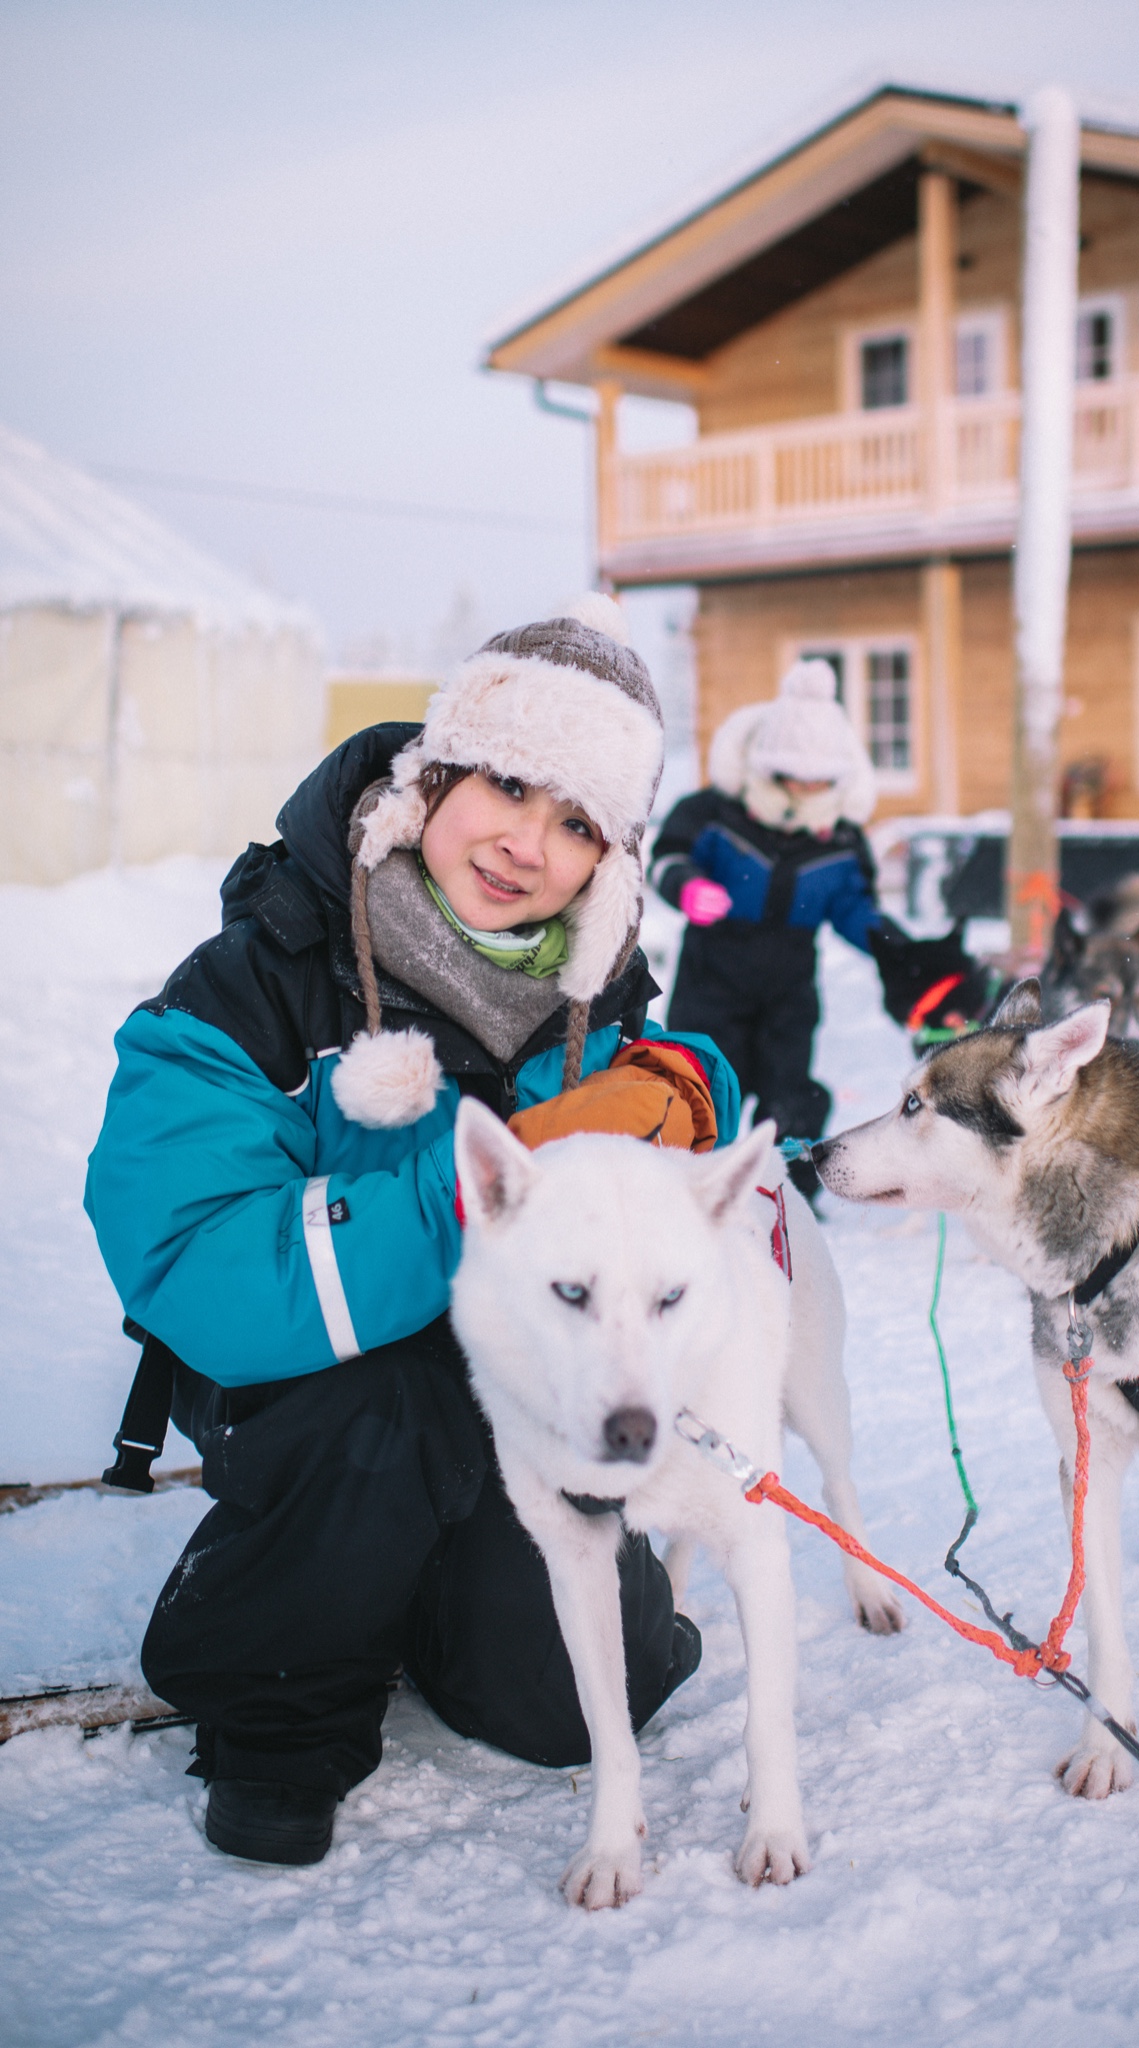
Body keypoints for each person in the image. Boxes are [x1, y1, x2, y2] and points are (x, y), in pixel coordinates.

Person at [85, 595, 737, 1868]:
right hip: (310, 1390)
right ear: (435, 771)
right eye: (506, 783)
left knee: (557, 1710)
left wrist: (684, 1092)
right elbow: (195, 1260)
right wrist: (486, 1185)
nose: (523, 845)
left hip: (508, 1376)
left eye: (576, 824)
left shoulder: (594, 989)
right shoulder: (258, 974)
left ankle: (433, 1594)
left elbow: (674, 1165)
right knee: (380, 1407)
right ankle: (273, 1705)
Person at [649, 659, 984, 1194]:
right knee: (699, 1081)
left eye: (819, 780)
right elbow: (667, 856)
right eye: (794, 776)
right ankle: (687, 1184)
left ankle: (787, 1189)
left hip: (789, 985)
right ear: (767, 767)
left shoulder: (839, 842)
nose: (806, 788)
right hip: (712, 975)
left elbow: (854, 906)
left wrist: (894, 946)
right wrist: (687, 886)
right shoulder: (713, 815)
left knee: (791, 1091)